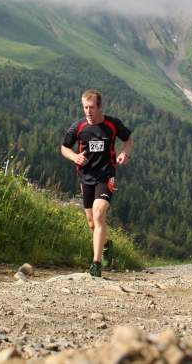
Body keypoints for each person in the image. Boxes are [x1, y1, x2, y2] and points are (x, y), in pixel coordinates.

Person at [61, 90, 133, 277]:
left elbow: (128, 139)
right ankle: (106, 244)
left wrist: (125, 154)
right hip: (85, 177)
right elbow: (64, 147)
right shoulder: (78, 127)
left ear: (100, 106)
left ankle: (96, 264)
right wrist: (75, 157)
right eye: (85, 107)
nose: (88, 111)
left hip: (106, 175)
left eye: (92, 107)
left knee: (99, 214)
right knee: (92, 223)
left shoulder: (113, 124)